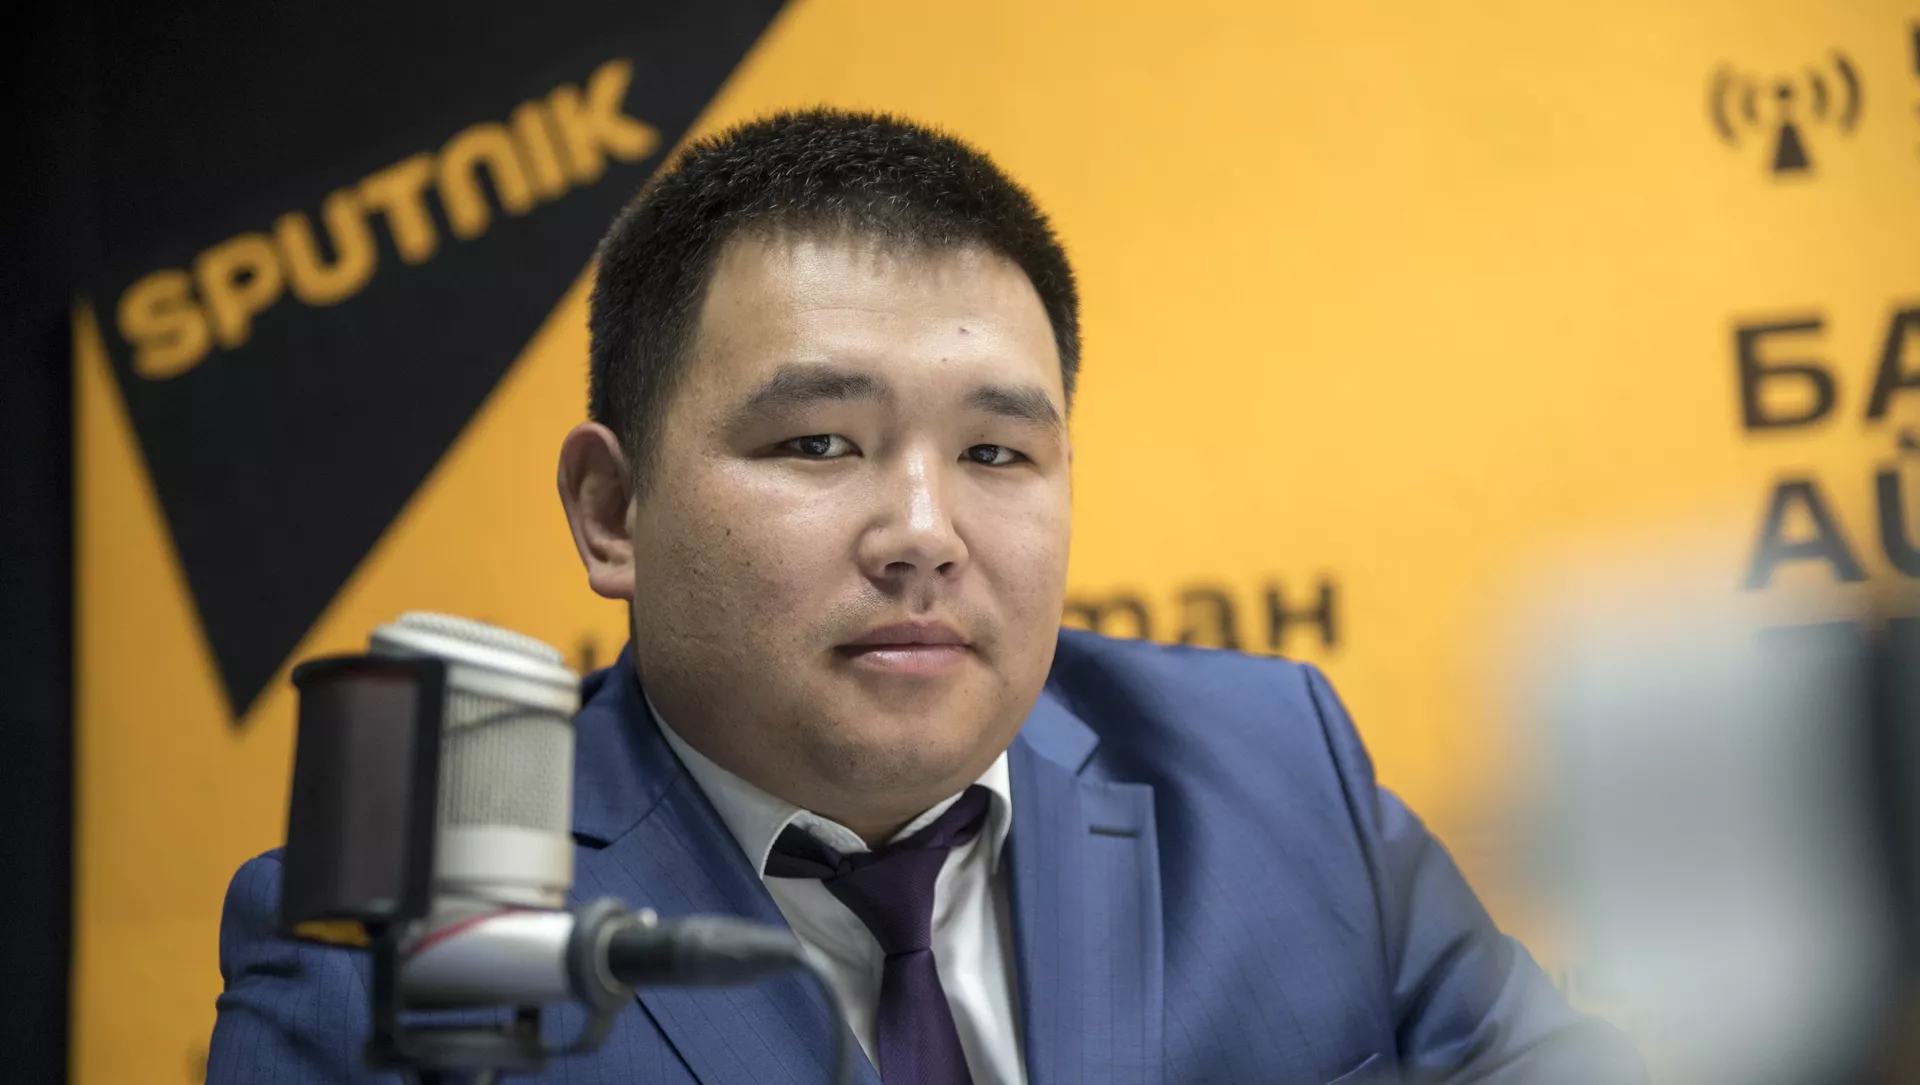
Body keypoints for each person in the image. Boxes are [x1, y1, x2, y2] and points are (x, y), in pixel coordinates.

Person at [208, 108, 1644, 1084]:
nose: (922, 534)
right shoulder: (401, 940)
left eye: (996, 454)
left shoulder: (1275, 767)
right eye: (818, 443)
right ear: (612, 510)